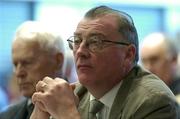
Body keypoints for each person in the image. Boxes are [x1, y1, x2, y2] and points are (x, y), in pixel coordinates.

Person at [30, 6, 179, 119]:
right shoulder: (76, 93)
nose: (80, 51)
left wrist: (67, 114)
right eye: (77, 41)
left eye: (95, 42)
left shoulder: (155, 101)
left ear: (128, 54)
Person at [0, 21, 65, 119]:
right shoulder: (6, 116)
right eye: (15, 64)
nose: (18, 73)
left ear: (58, 61)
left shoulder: (86, 109)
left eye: (27, 62)